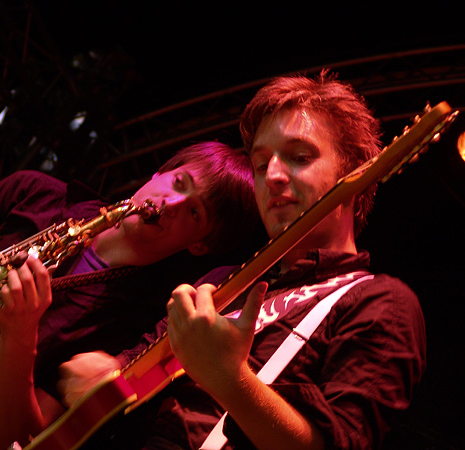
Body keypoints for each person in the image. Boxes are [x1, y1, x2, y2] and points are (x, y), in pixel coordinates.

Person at [44, 71, 426, 450]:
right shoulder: (224, 283)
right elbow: (134, 367)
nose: (273, 175)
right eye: (261, 164)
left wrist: (230, 378)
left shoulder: (381, 303)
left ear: (355, 174)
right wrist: (108, 373)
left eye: (299, 157)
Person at [0, 141, 261, 450]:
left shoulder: (141, 325)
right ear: (158, 173)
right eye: (178, 183)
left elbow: (12, 440)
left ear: (199, 247)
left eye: (194, 213)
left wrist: (20, 336)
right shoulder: (32, 192)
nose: (171, 204)